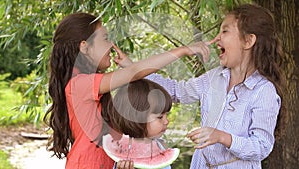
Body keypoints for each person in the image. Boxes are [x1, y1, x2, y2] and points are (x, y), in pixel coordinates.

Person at [118, 3, 286, 169]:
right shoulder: (214, 78)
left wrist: (222, 137)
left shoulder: (264, 91)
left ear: (248, 41)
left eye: (225, 31)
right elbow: (176, 91)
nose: (217, 38)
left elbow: (262, 146)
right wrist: (131, 67)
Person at [43, 12, 209, 169]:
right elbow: (133, 73)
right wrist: (182, 50)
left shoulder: (93, 84)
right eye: (105, 39)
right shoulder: (80, 84)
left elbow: (134, 78)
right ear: (84, 47)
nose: (111, 45)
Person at [101, 79, 173, 169]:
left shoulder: (158, 145)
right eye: (160, 117)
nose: (166, 121)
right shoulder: (124, 151)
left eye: (167, 115)